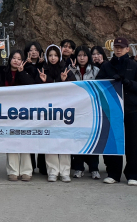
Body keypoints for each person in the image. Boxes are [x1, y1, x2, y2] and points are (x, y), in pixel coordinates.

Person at [96, 37, 137, 186]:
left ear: (127, 49)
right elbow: (98, 84)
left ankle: (133, 174)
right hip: (113, 110)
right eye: (116, 47)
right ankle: (113, 173)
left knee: (132, 143)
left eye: (121, 47)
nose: (118, 49)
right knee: (113, 142)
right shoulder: (106, 66)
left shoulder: (135, 67)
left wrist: (128, 82)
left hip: (130, 110)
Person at [0, 50, 35, 181]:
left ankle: (26, 170)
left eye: (19, 58)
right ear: (10, 59)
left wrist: (22, 73)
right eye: (14, 58)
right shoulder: (0, 72)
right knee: (11, 140)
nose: (16, 61)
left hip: (23, 112)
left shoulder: (27, 72)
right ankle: (13, 170)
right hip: (6, 112)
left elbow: (32, 87)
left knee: (25, 141)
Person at [42, 45, 73, 182]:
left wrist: (64, 80)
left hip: (64, 111)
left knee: (65, 140)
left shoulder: (66, 69)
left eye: (55, 55)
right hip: (48, 111)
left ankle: (65, 171)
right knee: (50, 141)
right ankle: (52, 171)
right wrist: (43, 81)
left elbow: (76, 88)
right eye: (50, 55)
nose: (53, 58)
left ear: (59, 56)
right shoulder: (43, 70)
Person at [70, 45, 101, 179]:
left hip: (91, 110)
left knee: (93, 139)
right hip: (75, 111)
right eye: (79, 55)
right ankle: (78, 167)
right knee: (77, 139)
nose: (81, 58)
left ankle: (94, 168)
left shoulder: (96, 71)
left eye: (84, 55)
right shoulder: (70, 71)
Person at [25, 40, 49, 175]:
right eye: (31, 49)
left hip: (43, 106)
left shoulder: (45, 65)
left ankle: (43, 165)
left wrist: (40, 65)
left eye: (36, 49)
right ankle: (31, 165)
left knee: (43, 135)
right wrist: (29, 66)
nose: (33, 51)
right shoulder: (24, 66)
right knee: (29, 136)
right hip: (28, 106)